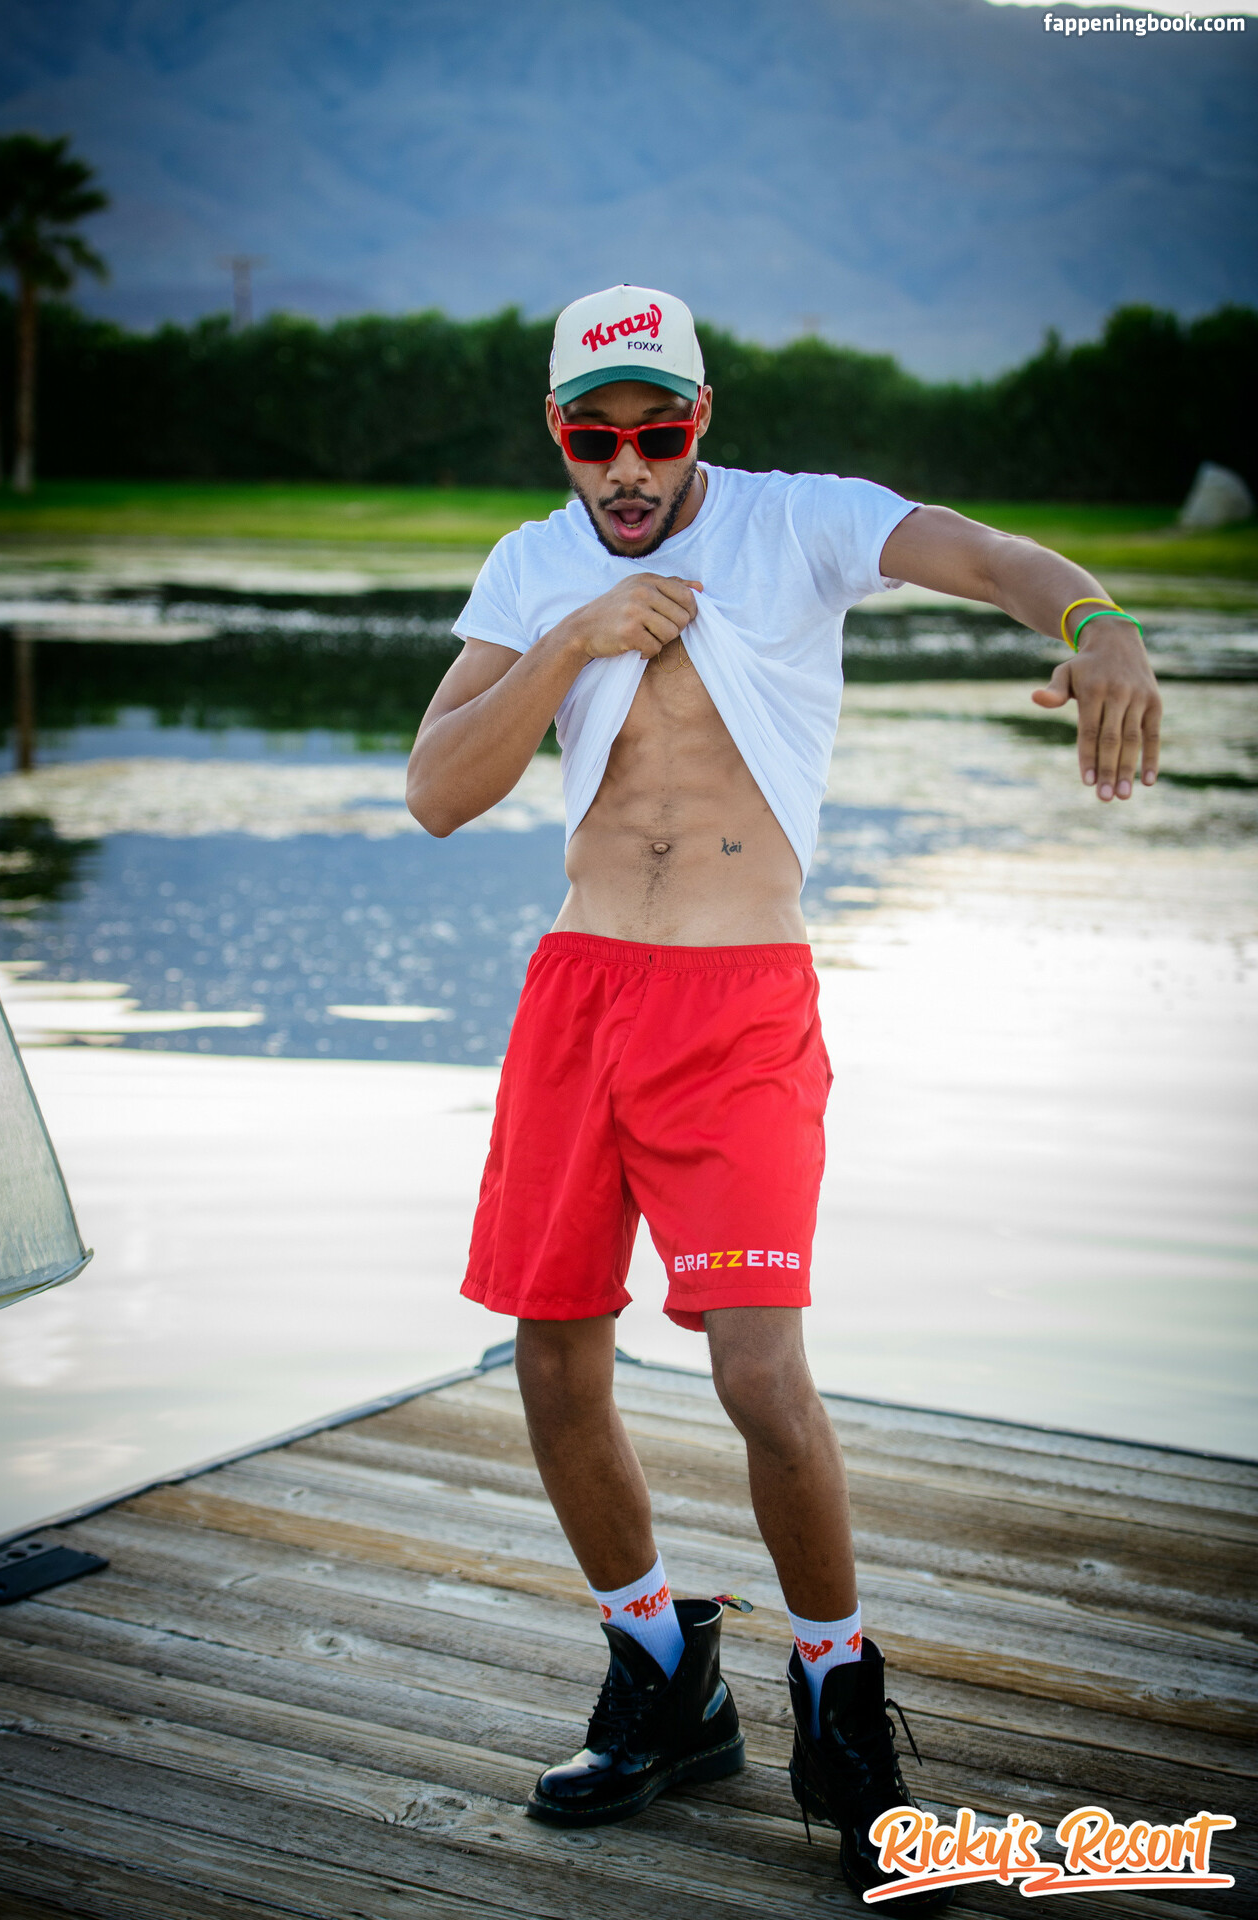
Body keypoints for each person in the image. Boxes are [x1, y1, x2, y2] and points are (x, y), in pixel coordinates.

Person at [406, 285, 1161, 1902]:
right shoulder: (534, 566)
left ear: (701, 421)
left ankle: (838, 1695)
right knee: (552, 1359)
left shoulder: (799, 525)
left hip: (740, 1006)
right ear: (559, 434)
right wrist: (572, 639)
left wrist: (1096, 624)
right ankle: (660, 1674)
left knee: (759, 1372)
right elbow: (437, 792)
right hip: (580, 992)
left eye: (655, 432)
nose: (626, 467)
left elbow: (988, 557)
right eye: (594, 437)